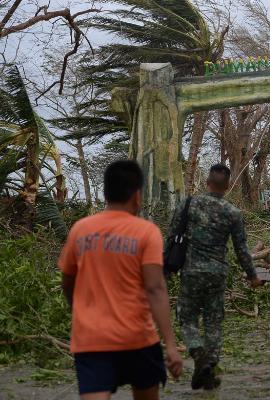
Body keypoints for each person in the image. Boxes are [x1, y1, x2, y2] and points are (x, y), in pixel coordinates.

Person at [58, 160, 183, 399]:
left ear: (105, 193)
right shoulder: (146, 232)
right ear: (137, 195)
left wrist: (78, 310)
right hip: (138, 339)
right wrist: (171, 345)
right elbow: (155, 288)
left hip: (91, 339)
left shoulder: (80, 229)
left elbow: (67, 279)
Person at [171, 163, 263, 390]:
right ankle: (209, 368)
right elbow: (241, 249)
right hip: (217, 274)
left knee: (186, 316)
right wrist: (252, 276)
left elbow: (173, 234)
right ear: (228, 185)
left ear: (207, 182)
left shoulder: (189, 204)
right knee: (213, 322)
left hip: (191, 272)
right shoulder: (232, 212)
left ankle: (196, 349)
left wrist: (167, 268)